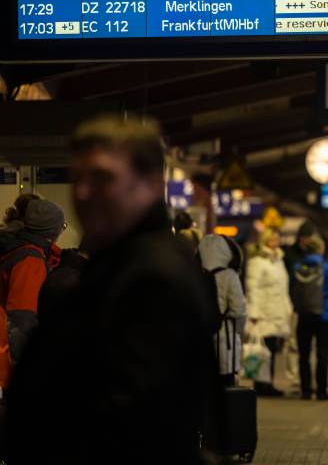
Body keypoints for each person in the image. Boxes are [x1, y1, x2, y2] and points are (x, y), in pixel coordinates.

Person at [5, 115, 218, 465]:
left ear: (150, 184)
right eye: (78, 178)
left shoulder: (153, 277)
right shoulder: (115, 264)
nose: (84, 192)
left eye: (103, 178)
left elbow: (133, 416)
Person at [0, 199, 65, 392]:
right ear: (51, 231)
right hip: (7, 358)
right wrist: (25, 370)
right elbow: (23, 319)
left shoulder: (15, 246)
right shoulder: (30, 260)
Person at [291, 236, 328, 400]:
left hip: (303, 315)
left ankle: (306, 390)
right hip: (323, 316)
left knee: (304, 355)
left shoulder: (298, 267)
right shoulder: (327, 267)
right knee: (322, 354)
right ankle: (321, 390)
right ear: (320, 249)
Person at [246, 228, 292, 397]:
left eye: (276, 239)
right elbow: (253, 288)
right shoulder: (257, 262)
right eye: (271, 239)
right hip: (264, 313)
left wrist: (288, 308)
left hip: (277, 312)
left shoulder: (279, 261)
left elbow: (283, 288)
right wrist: (254, 312)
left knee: (271, 350)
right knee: (262, 350)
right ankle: (260, 384)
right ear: (264, 241)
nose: (275, 242)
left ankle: (268, 383)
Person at [199, 234, 247, 386]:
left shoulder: (196, 274)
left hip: (202, 336)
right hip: (226, 337)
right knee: (227, 383)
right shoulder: (230, 276)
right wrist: (238, 330)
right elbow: (238, 310)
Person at [281, 220, 317, 388]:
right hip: (294, 302)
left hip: (309, 304)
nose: (307, 240)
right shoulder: (290, 254)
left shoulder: (312, 254)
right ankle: (293, 375)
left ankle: (304, 376)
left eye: (309, 237)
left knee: (305, 344)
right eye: (305, 237)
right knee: (293, 342)